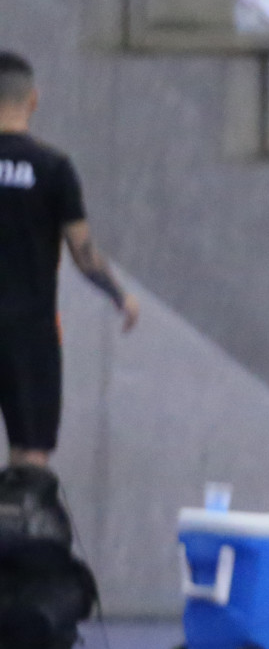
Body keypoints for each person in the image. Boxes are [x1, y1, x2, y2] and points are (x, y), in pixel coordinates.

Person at [0, 51, 139, 466]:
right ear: (34, 100)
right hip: (30, 330)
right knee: (30, 449)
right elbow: (84, 253)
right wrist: (120, 295)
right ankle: (20, 525)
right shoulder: (52, 168)